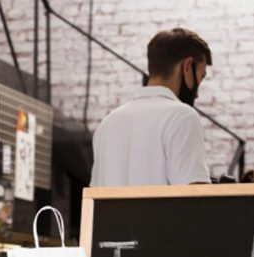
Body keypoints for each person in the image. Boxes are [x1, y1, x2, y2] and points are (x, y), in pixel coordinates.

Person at [90, 28, 212, 186]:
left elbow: (96, 202)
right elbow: (197, 200)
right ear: (187, 66)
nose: (197, 94)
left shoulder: (107, 124)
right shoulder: (182, 117)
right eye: (200, 77)